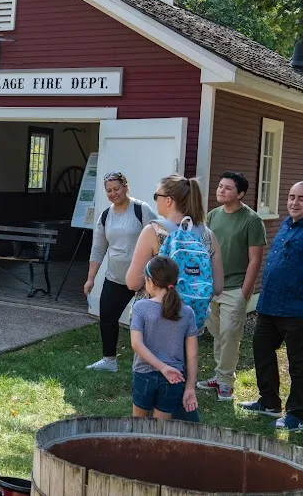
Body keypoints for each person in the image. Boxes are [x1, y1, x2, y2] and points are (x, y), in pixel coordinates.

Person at [126, 174, 224, 421]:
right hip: (189, 322)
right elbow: (219, 286)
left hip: (152, 324)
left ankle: (147, 438)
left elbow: (132, 282)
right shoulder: (207, 235)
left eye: (156, 196)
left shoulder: (154, 231)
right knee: (179, 377)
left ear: (168, 200)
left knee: (149, 379)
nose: (156, 201)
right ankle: (181, 425)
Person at [238, 182, 303, 430]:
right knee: (261, 350)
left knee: (298, 365)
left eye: (301, 199)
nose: (294, 203)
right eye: (291, 197)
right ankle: (269, 403)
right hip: (270, 305)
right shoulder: (287, 225)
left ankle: (297, 415)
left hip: (297, 310)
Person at [196, 172, 266, 401]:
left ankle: (226, 382)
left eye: (227, 188)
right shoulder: (213, 216)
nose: (221, 190)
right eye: (220, 186)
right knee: (218, 334)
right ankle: (219, 376)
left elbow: (255, 259)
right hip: (212, 287)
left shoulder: (252, 220)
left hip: (236, 288)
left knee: (229, 335)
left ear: (240, 194)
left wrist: (246, 291)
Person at [84, 171, 157, 372]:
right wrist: (90, 279)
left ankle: (148, 363)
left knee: (146, 322)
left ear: (126, 187)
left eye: (117, 189)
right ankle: (109, 361)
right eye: (109, 190)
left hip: (144, 280)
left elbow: (158, 239)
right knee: (107, 316)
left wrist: (154, 275)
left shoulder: (141, 210)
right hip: (115, 277)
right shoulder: (106, 216)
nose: (113, 193)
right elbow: (98, 248)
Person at [130, 256, 199, 419]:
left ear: (150, 281)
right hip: (174, 378)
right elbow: (193, 355)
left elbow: (136, 344)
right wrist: (190, 387)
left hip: (143, 374)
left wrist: (161, 367)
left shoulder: (140, 307)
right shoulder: (187, 312)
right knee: (161, 432)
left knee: (138, 426)